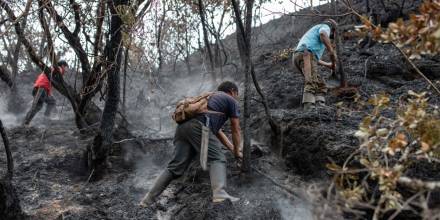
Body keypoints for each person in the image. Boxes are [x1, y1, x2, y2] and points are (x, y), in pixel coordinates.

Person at [140, 81, 242, 207]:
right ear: (232, 91)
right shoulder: (230, 100)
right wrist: (238, 152)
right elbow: (235, 128)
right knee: (218, 158)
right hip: (199, 127)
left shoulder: (212, 98)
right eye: (236, 94)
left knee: (175, 167)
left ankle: (147, 200)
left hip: (182, 128)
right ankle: (220, 194)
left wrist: (233, 149)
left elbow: (218, 132)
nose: (236, 98)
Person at [293, 19, 338, 110]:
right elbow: (322, 34)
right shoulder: (325, 27)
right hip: (306, 54)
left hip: (299, 56)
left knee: (319, 82)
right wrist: (331, 51)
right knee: (311, 81)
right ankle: (309, 107)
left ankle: (320, 106)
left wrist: (327, 64)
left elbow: (314, 58)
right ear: (333, 29)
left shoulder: (313, 33)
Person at [23, 60, 69, 126]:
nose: (67, 70)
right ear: (63, 66)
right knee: (37, 106)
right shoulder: (59, 69)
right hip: (41, 89)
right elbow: (58, 80)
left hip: (41, 89)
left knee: (52, 101)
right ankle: (25, 123)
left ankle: (46, 117)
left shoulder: (51, 69)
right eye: (66, 67)